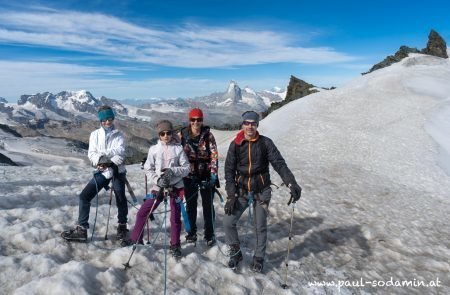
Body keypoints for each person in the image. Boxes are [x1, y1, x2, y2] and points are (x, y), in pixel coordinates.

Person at [223, 111, 302, 272]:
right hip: (242, 190)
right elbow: (229, 171)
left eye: (253, 123)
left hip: (261, 190)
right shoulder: (236, 145)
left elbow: (279, 164)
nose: (250, 126)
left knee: (260, 226)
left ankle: (259, 257)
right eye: (247, 123)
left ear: (257, 125)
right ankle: (236, 252)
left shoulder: (265, 143)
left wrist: (291, 183)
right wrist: (231, 195)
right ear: (242, 124)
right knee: (228, 222)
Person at [61, 105, 129, 242]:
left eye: (110, 118)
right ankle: (82, 229)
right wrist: (100, 160)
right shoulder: (94, 135)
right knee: (84, 196)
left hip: (117, 171)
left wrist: (104, 158)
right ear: (100, 120)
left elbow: (121, 152)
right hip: (103, 171)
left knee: (120, 197)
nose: (108, 122)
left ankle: (122, 225)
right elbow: (91, 153)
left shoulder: (119, 135)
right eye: (104, 119)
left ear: (113, 118)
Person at [127, 120, 190, 257]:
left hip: (176, 186)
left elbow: (186, 169)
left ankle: (175, 245)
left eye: (168, 133)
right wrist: (158, 180)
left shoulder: (178, 149)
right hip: (159, 186)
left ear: (172, 133)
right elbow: (148, 168)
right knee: (143, 212)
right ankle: (136, 239)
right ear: (159, 135)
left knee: (174, 217)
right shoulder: (154, 150)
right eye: (162, 133)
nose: (166, 136)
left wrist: (173, 171)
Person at [179, 108, 219, 246]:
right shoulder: (181, 136)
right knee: (191, 205)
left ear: (202, 120)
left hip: (206, 175)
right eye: (193, 119)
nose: (196, 122)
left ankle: (209, 234)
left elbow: (214, 155)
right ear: (189, 120)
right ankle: (191, 233)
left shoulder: (208, 136)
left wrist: (213, 174)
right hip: (188, 175)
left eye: (199, 119)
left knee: (208, 206)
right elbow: (173, 152)